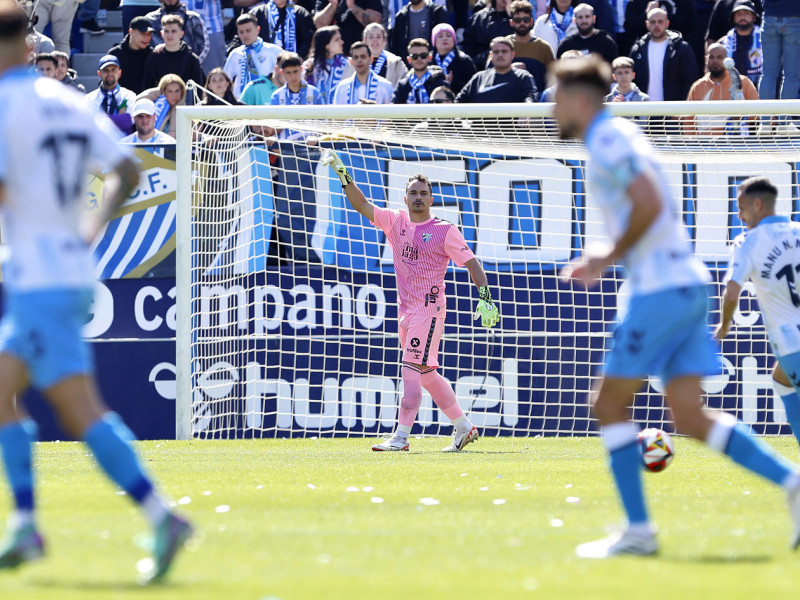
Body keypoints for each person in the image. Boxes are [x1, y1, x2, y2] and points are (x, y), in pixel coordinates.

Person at [553, 55, 800, 558]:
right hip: (687, 284)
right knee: (687, 415)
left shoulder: (606, 139)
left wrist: (606, 255)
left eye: (556, 96)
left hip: (659, 289)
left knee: (609, 404)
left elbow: (646, 202)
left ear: (579, 100)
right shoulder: (621, 136)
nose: (551, 107)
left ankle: (639, 531)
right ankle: (793, 483)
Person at [0, 0, 192, 579]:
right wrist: (90, 226)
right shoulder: (64, 101)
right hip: (67, 271)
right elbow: (127, 170)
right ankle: (29, 523)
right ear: (31, 45)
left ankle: (157, 516)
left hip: (39, 279)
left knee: (81, 411)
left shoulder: (7, 108)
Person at [322, 154, 500, 452]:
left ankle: (401, 437)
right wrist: (342, 172)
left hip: (428, 313)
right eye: (413, 193)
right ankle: (464, 427)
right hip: (406, 312)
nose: (418, 197)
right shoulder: (395, 222)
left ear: (431, 199)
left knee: (411, 373)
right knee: (427, 374)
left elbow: (472, 264)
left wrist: (486, 299)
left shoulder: (445, 230)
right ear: (405, 198)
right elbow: (362, 204)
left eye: (424, 193)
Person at [715, 177, 800, 449]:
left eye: (741, 208)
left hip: (792, 343)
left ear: (758, 204)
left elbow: (731, 291)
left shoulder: (748, 242)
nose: (739, 216)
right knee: (780, 380)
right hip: (790, 349)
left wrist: (724, 326)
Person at [684, 42, 758, 133]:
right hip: (704, 145)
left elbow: (757, 113)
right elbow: (688, 122)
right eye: (711, 57)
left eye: (719, 57)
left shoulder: (743, 82)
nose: (715, 61)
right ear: (706, 59)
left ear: (726, 60)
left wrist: (741, 117)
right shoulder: (697, 87)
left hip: (735, 144)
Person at [629, 7, 698, 101]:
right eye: (653, 22)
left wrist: (682, 109)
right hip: (643, 111)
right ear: (647, 24)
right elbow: (631, 80)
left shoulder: (681, 48)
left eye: (660, 21)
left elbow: (690, 80)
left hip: (672, 110)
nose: (656, 25)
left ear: (667, 23)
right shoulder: (638, 49)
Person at [456, 36, 539, 102]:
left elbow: (531, 97)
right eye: (496, 52)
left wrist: (526, 112)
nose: (500, 55)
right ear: (490, 55)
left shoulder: (523, 77)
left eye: (504, 51)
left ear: (512, 54)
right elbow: (458, 101)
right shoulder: (478, 78)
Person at [224, 13, 282, 98]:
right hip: (241, 103)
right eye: (241, 32)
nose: (245, 35)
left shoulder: (273, 51)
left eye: (248, 30)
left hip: (266, 101)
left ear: (258, 29)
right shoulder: (235, 54)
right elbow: (226, 78)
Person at [142, 14, 205, 89]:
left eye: (174, 31)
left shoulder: (192, 60)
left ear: (181, 34)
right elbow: (147, 88)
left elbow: (199, 90)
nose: (169, 35)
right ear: (162, 34)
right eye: (166, 31)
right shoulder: (153, 59)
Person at [507, 0, 554, 94]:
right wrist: (508, 69)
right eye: (517, 20)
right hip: (507, 100)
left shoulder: (544, 47)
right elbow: (490, 74)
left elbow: (552, 79)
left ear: (532, 22)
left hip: (536, 103)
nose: (522, 23)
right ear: (511, 23)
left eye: (526, 20)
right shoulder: (502, 45)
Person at [757, 0, 800, 102]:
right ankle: (785, 117)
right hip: (794, 17)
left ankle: (765, 117)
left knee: (768, 73)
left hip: (770, 17)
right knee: (791, 75)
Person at [84, 55, 137, 135]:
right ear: (99, 73)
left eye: (113, 70)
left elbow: (128, 122)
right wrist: (119, 118)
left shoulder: (129, 96)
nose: (110, 73)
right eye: (106, 70)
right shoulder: (89, 99)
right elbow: (87, 124)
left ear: (119, 73)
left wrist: (98, 118)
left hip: (124, 144)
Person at [304, 25, 356, 103]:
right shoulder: (310, 66)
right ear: (326, 45)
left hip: (343, 112)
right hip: (316, 113)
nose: (342, 42)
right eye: (337, 39)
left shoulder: (350, 64)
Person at [719, 0, 763, 89]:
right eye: (738, 14)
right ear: (733, 18)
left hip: (758, 88)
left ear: (754, 17)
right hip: (730, 88)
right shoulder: (723, 43)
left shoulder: (766, 40)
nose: (742, 17)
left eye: (747, 13)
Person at [108, 16, 155, 94]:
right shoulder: (115, 54)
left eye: (149, 34)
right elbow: (105, 83)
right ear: (131, 31)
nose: (147, 37)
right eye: (143, 33)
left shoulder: (153, 55)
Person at [313, 0, 382, 53]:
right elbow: (318, 25)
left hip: (359, 55)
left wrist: (352, 6)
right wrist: (333, 5)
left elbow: (376, 22)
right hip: (331, 56)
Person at [392, 38, 447, 103]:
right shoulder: (402, 86)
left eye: (423, 56)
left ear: (429, 58)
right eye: (414, 56)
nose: (419, 59)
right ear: (409, 60)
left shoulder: (440, 82)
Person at [463, 0, 514, 67]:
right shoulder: (479, 16)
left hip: (507, 64)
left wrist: (511, 15)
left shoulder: (518, 18)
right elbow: (468, 44)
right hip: (479, 64)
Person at [430, 22, 476, 95]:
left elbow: (473, 87)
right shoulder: (428, 60)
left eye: (448, 35)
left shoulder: (464, 60)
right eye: (440, 36)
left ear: (454, 40)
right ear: (434, 41)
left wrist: (452, 83)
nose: (445, 38)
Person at [137, 73, 186, 138]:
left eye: (177, 91)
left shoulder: (187, 111)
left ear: (182, 91)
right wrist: (159, 92)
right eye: (170, 91)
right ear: (163, 91)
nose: (174, 95)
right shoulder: (156, 106)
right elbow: (137, 101)